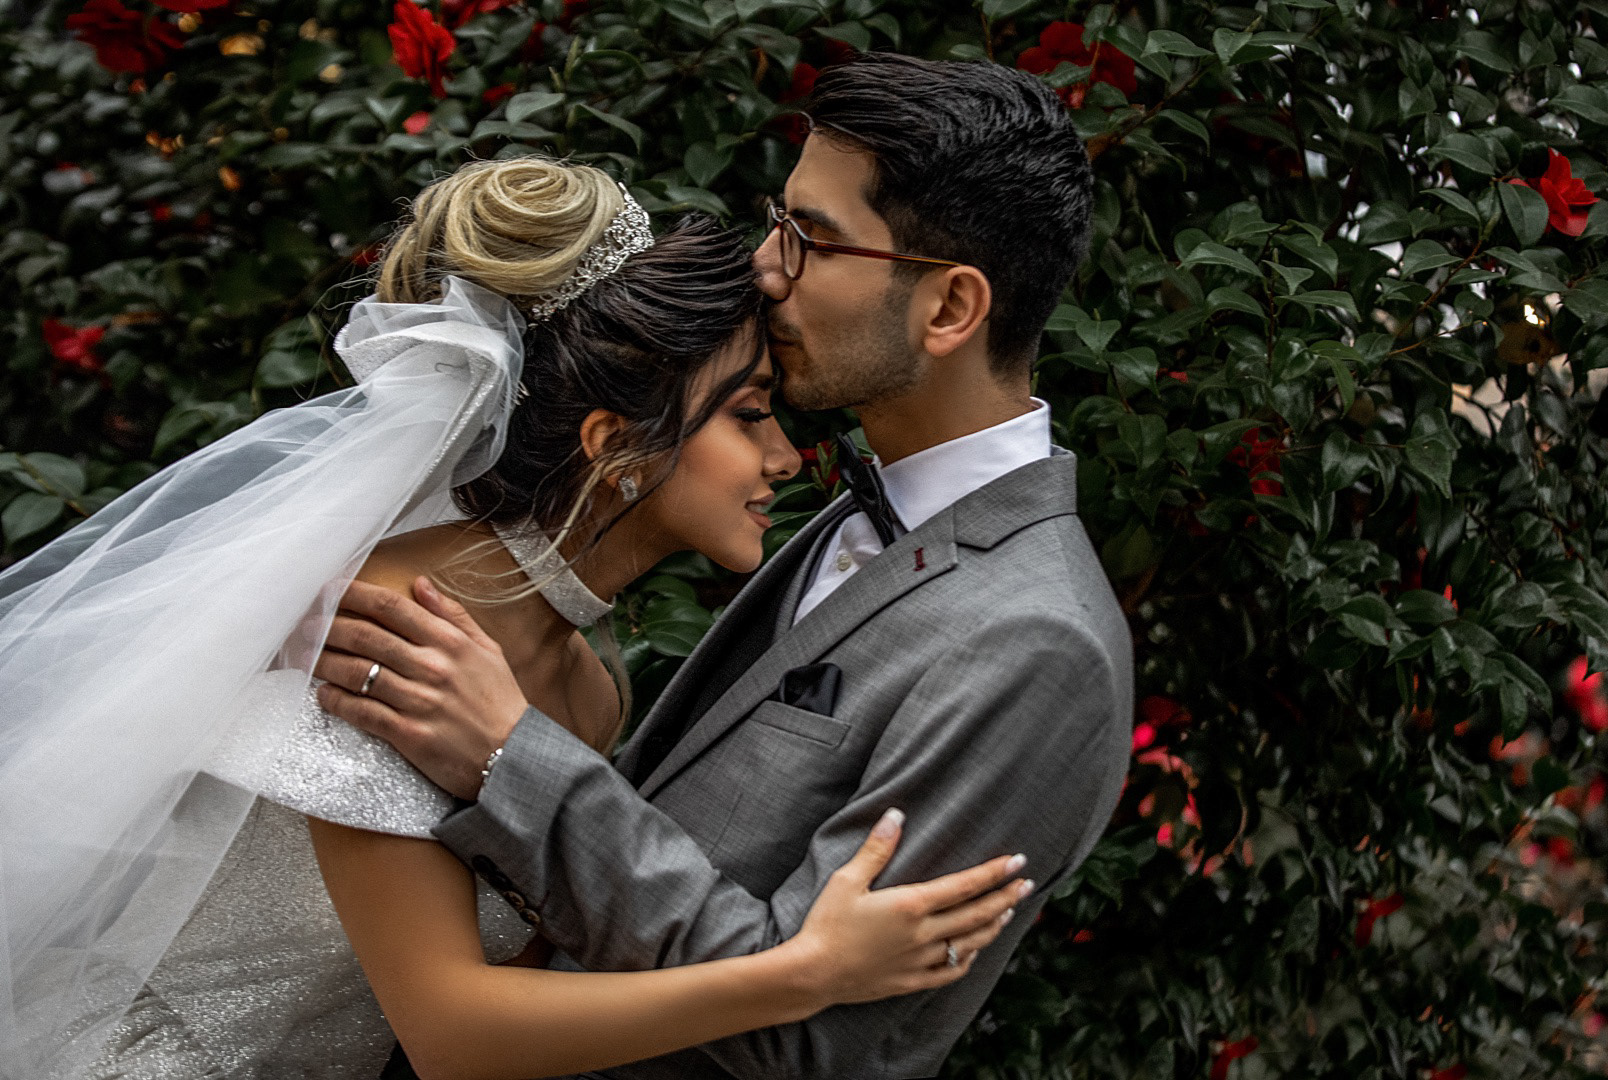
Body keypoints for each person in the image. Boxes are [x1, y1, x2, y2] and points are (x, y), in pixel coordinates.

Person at [0, 157, 1028, 1080]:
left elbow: (539, 976)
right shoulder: (390, 631)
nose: (786, 460)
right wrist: (807, 972)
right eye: (749, 414)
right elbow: (454, 1036)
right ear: (614, 444)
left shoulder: (587, 683)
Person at [319, 53, 1134, 1080]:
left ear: (947, 310)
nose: (766, 266)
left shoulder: (1037, 642)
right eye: (776, 220)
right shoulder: (857, 518)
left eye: (811, 239)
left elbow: (819, 1042)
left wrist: (508, 755)